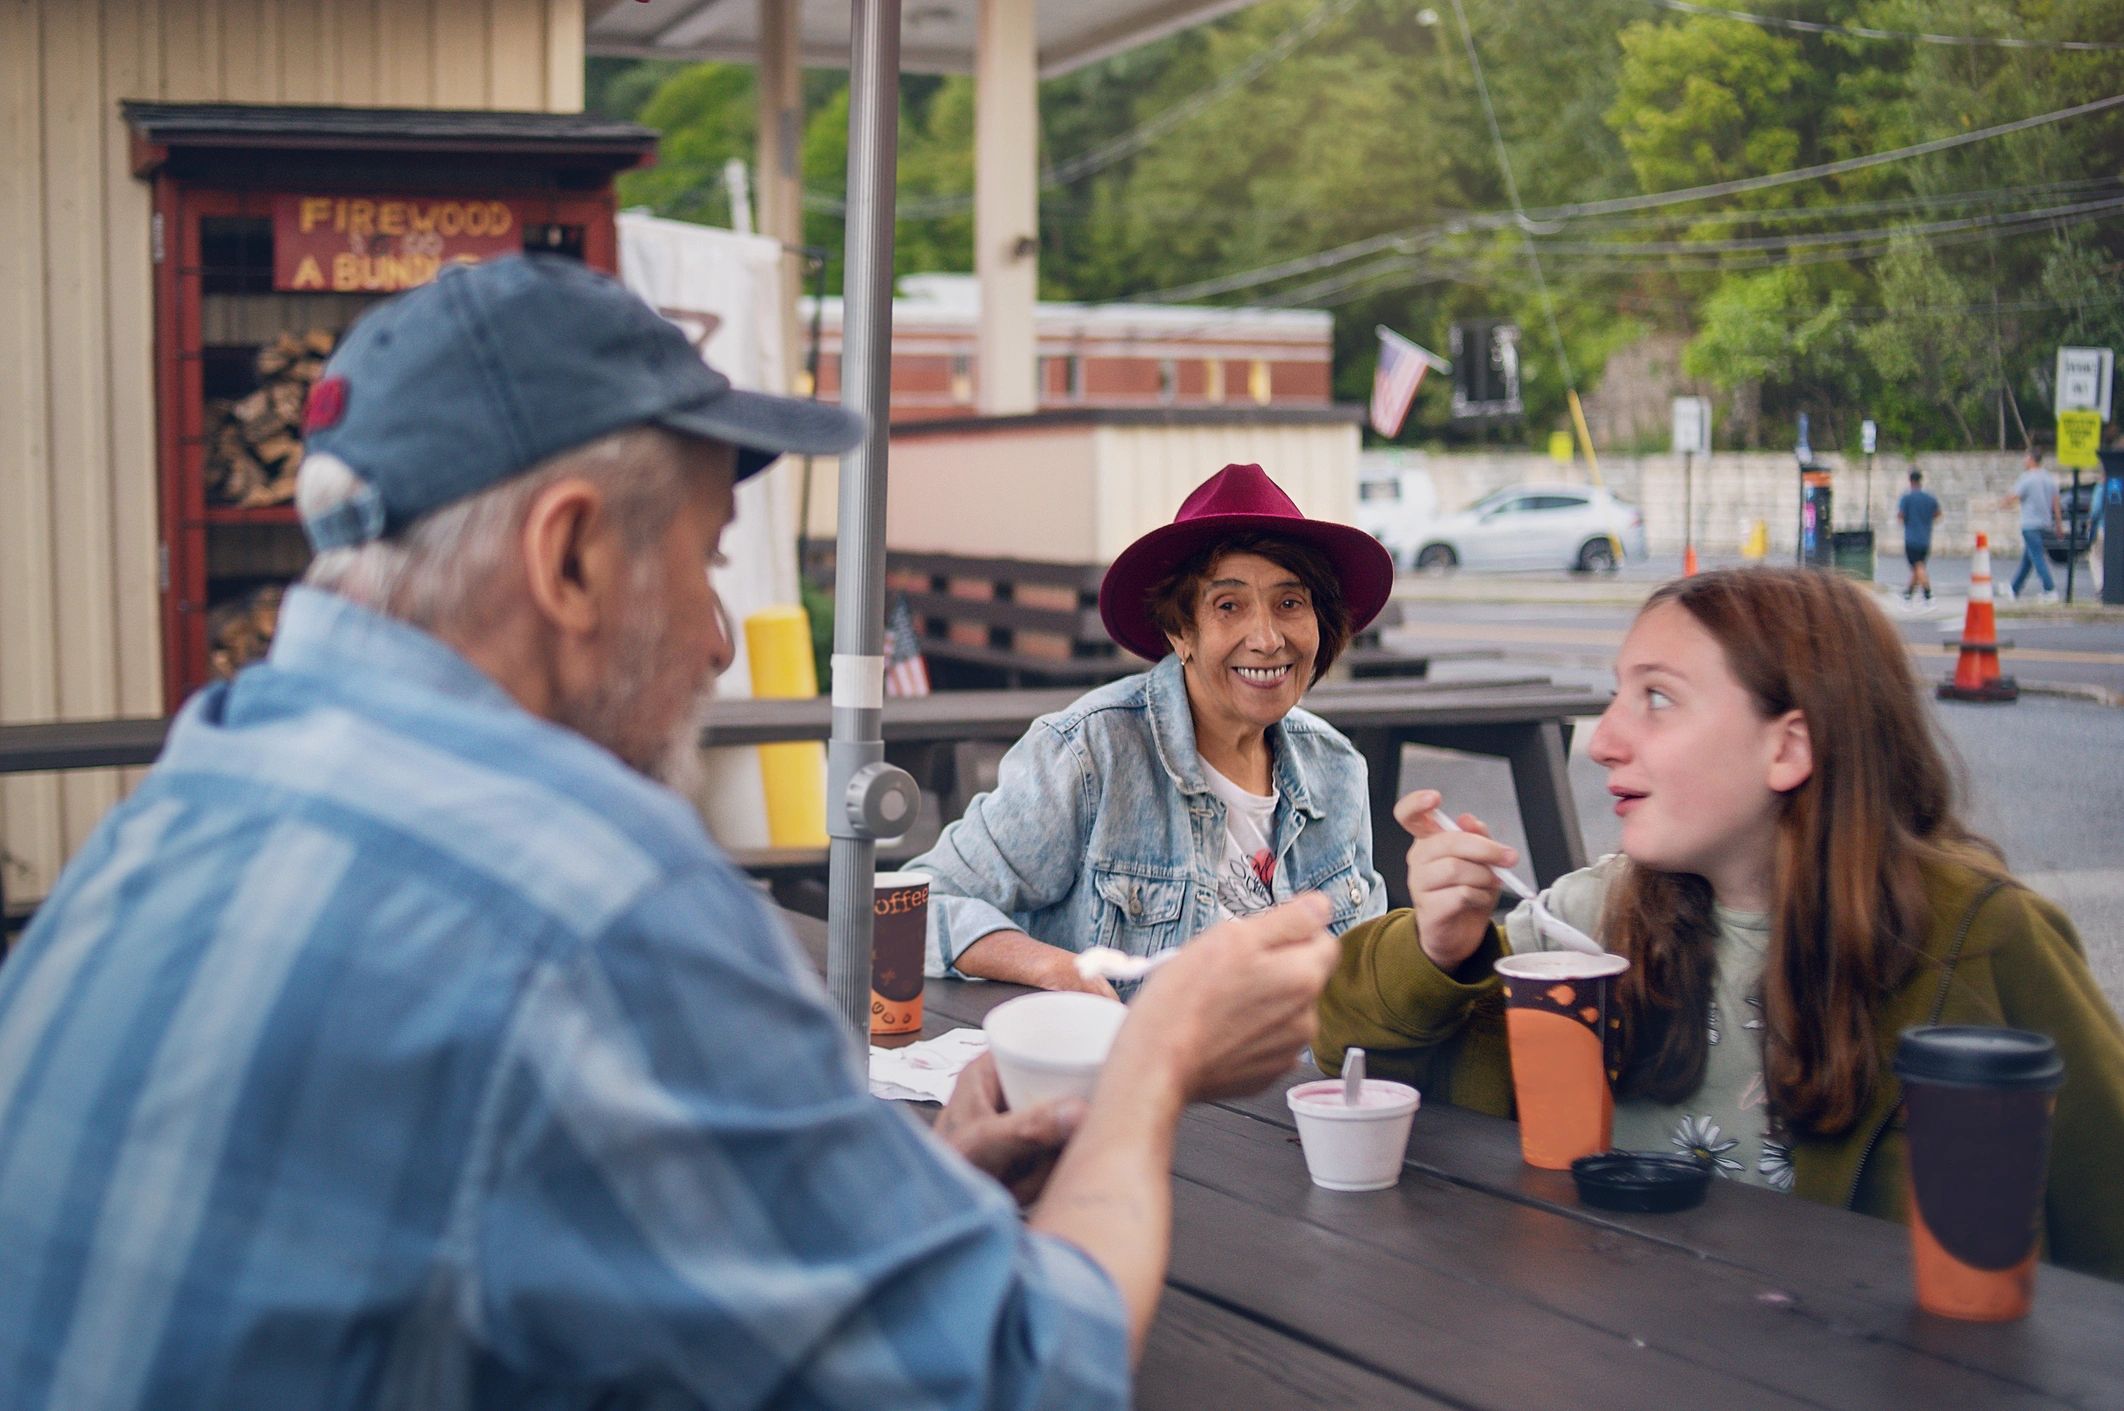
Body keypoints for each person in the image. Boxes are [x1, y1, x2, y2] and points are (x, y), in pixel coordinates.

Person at [0, 255, 1344, 1408]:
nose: (716, 637)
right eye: (704, 559)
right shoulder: (596, 899)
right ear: (570, 556)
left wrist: (905, 1196)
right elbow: (1021, 1374)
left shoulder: (175, 807)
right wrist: (1152, 1062)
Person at [1314, 566, 2124, 1279]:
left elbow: (2104, 1229)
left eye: (1658, 698)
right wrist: (1437, 949)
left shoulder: (1983, 943)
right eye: (1617, 693)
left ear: (1789, 747)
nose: (1604, 741)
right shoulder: (1587, 921)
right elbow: (1349, 1063)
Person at [910, 462, 1395, 996]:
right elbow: (915, 904)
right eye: (1228, 606)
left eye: (1290, 603)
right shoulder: (1091, 753)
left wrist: (1439, 940)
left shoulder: (1337, 768)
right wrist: (1052, 968)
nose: (1267, 638)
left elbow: (1366, 978)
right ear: (1180, 632)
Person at [2004, 448, 2063, 603]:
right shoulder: (2048, 478)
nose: (2024, 461)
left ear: (2031, 459)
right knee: (2028, 558)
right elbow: (2056, 502)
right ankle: (2014, 588)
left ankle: (2049, 590)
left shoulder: (2027, 478)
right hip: (2044, 523)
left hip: (2030, 523)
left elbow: (2014, 496)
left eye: (2026, 458)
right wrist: (2058, 523)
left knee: (2037, 557)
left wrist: (2001, 504)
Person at [1895, 467, 1940, 602]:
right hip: (1925, 537)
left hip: (1912, 538)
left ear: (1910, 481)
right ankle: (1908, 593)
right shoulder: (1929, 498)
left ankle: (1927, 592)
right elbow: (1937, 513)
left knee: (1917, 566)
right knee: (1918, 566)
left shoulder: (1907, 498)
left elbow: (1901, 516)